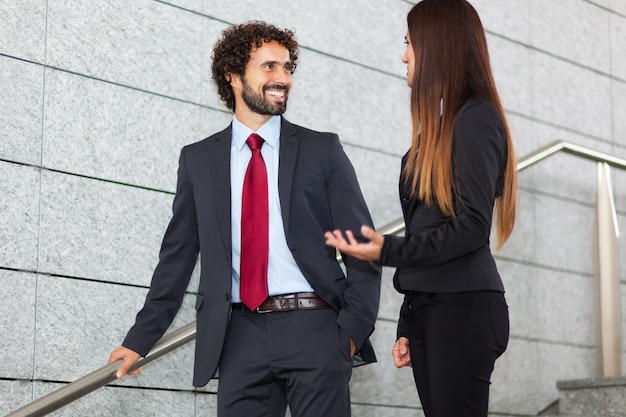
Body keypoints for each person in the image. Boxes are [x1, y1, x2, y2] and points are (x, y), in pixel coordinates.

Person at [108, 21, 381, 417]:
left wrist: (350, 333)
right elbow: (177, 258)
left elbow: (363, 248)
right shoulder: (199, 160)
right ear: (232, 75)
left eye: (287, 68)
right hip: (239, 336)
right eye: (268, 67)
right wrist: (139, 340)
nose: (282, 78)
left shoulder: (321, 150)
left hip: (316, 327)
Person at [325, 1, 517, 416]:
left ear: (438, 46)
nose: (404, 55)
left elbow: (469, 228)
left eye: (409, 43)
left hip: (462, 310)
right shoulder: (444, 125)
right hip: (436, 309)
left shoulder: (475, 119)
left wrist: (384, 250)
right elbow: (429, 227)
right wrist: (409, 322)